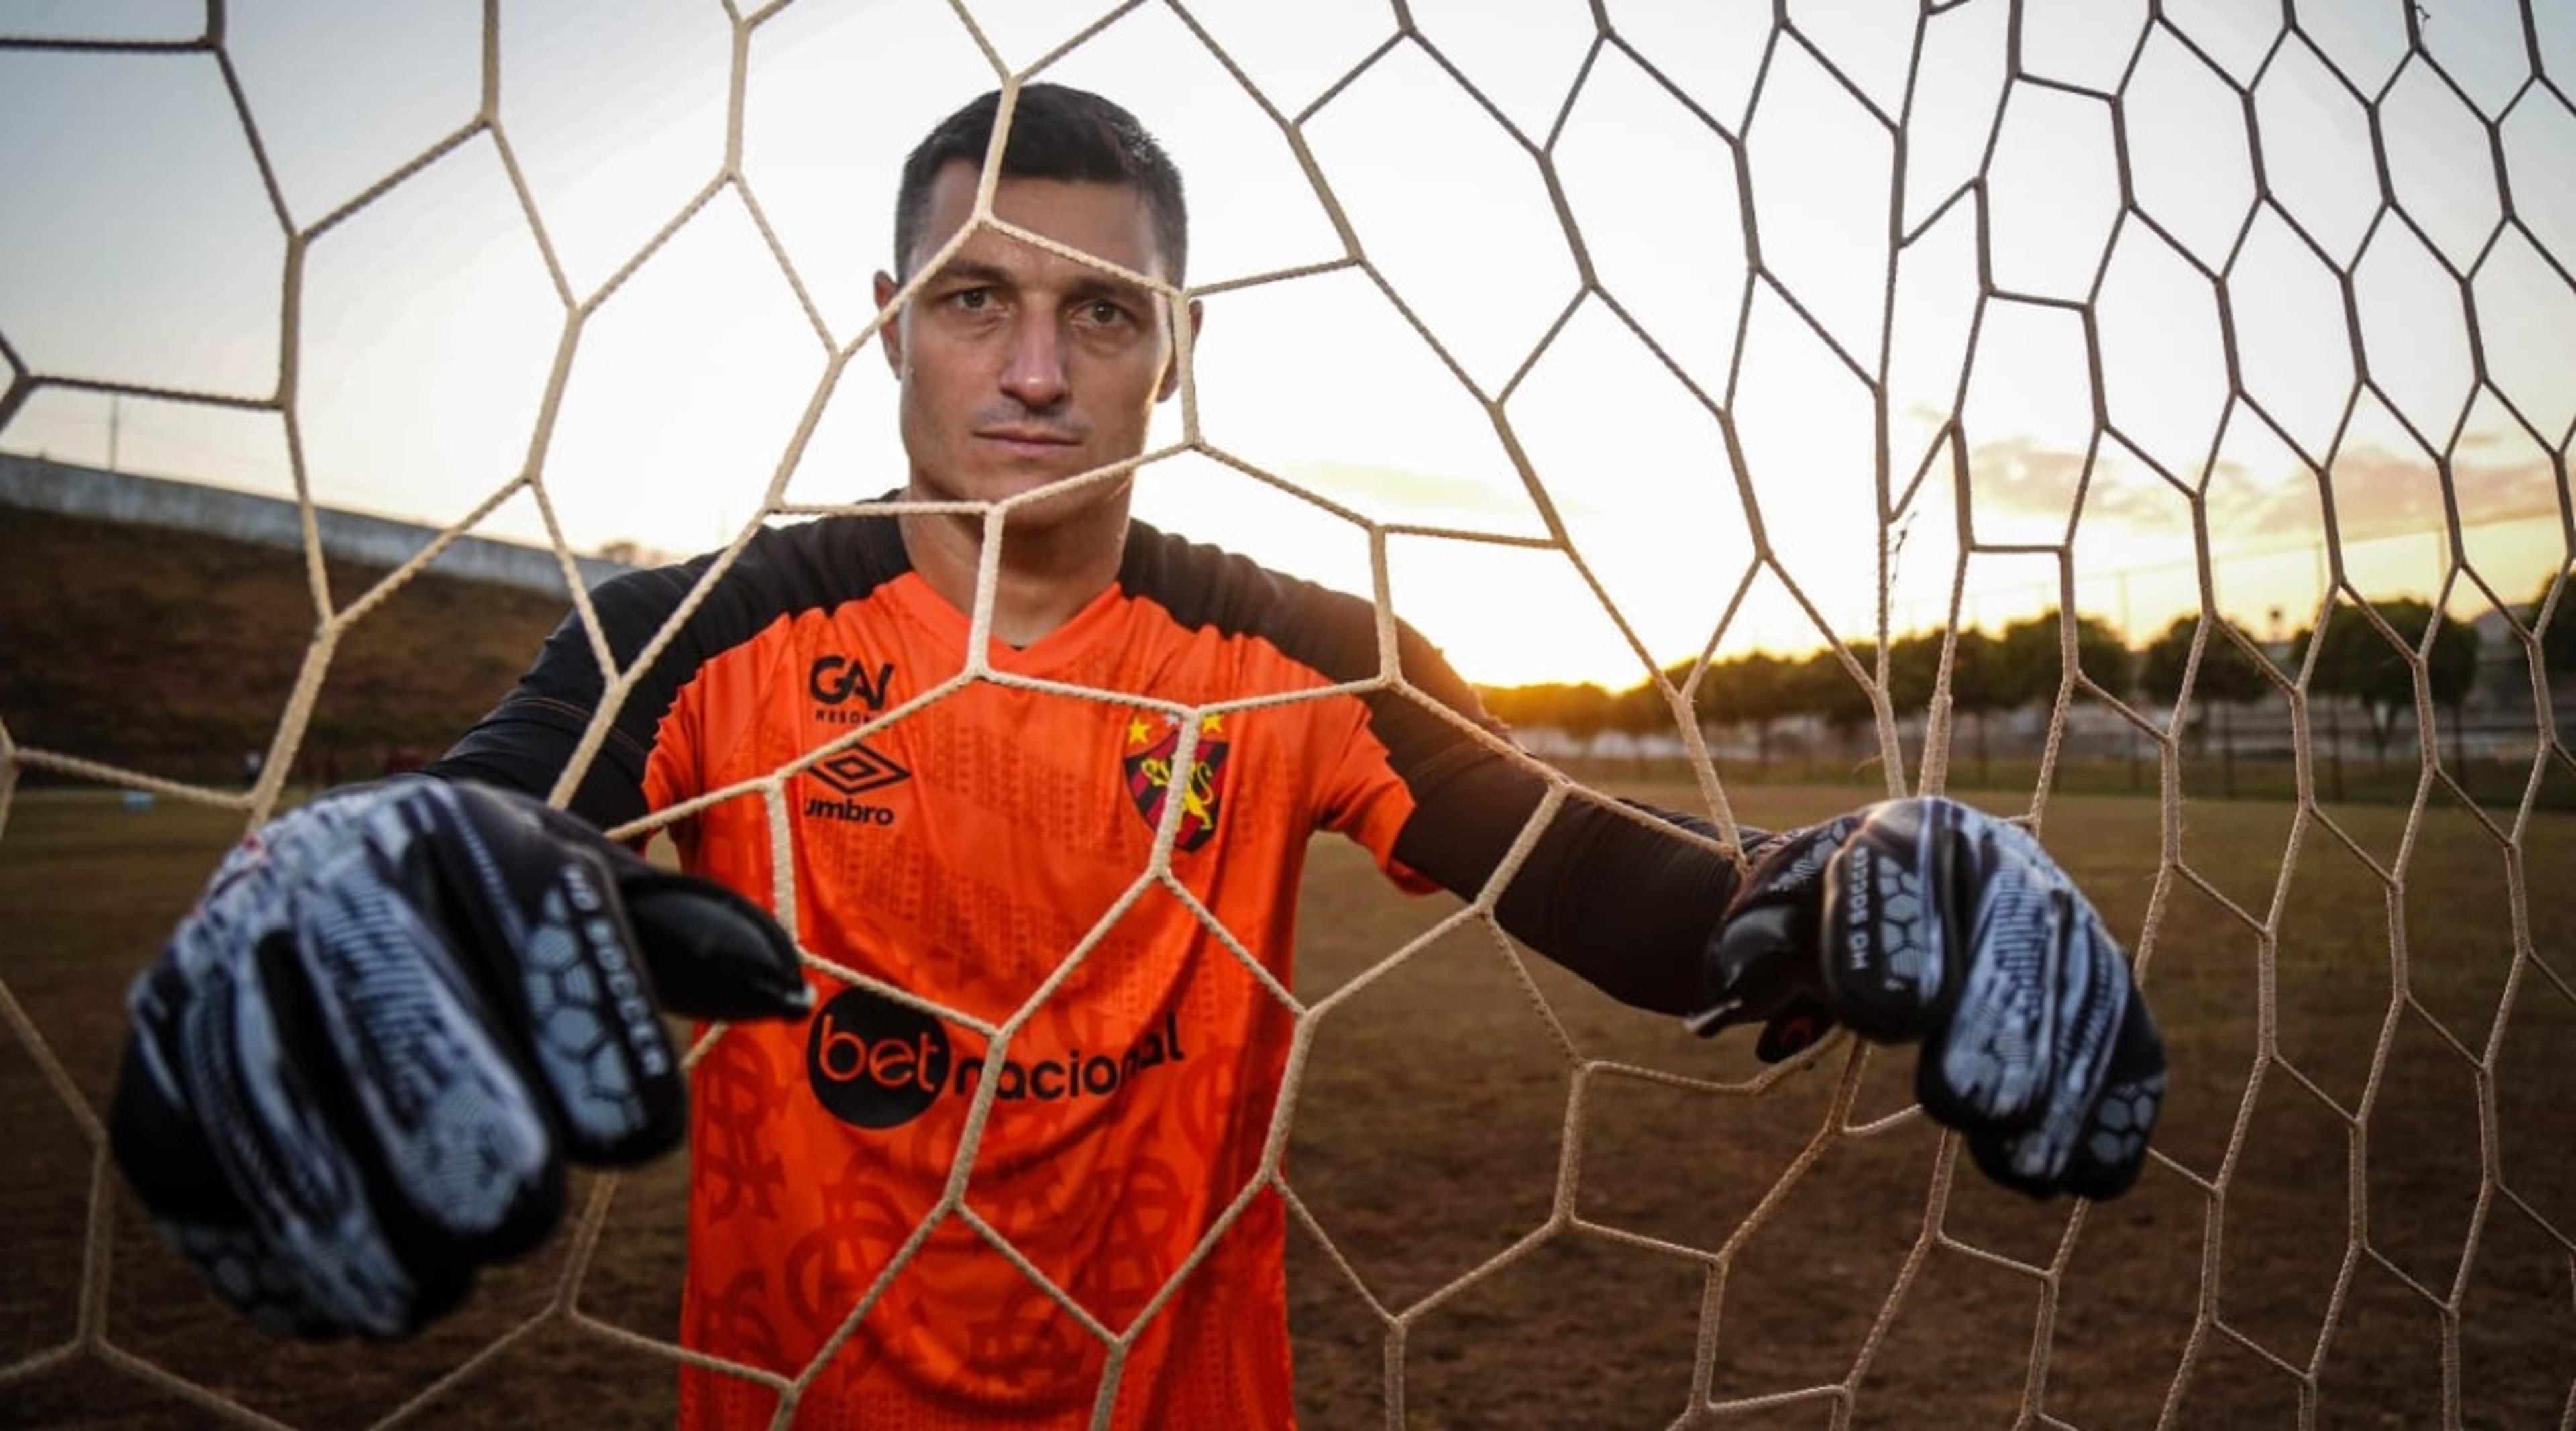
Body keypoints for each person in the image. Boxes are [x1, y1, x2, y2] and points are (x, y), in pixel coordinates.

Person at [108, 85, 2165, 1429]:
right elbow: (476, 827)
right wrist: (342, 874)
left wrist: (1884, 882)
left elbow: (1643, 904)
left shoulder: (1306, 654)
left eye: (1102, 313)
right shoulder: (691, 625)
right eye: (976, 297)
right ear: (885, 319)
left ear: (1181, 347)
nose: (1030, 368)